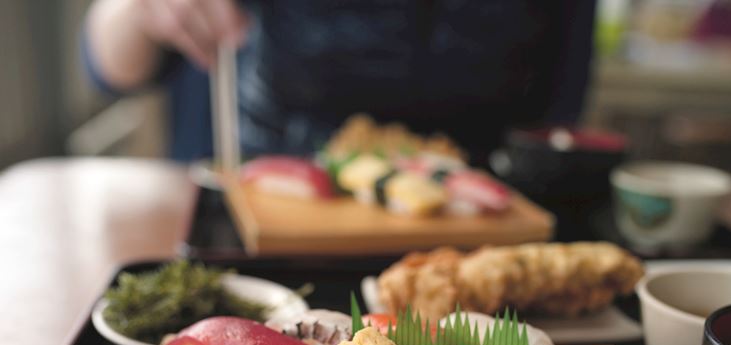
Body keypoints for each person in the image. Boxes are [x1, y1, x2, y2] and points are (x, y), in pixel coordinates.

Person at [83, 0, 597, 166]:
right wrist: (133, 9)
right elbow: (110, 67)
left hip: (472, 228)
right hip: (253, 221)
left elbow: (557, 122)